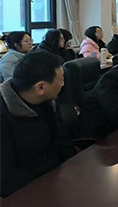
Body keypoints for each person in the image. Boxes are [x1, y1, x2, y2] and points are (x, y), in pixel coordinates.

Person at [1, 52, 76, 197]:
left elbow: (62, 142)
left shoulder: (46, 103)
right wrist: (52, 183)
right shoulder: (4, 117)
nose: (63, 84)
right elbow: (6, 179)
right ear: (40, 88)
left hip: (57, 181)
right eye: (61, 80)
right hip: (28, 195)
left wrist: (74, 169)